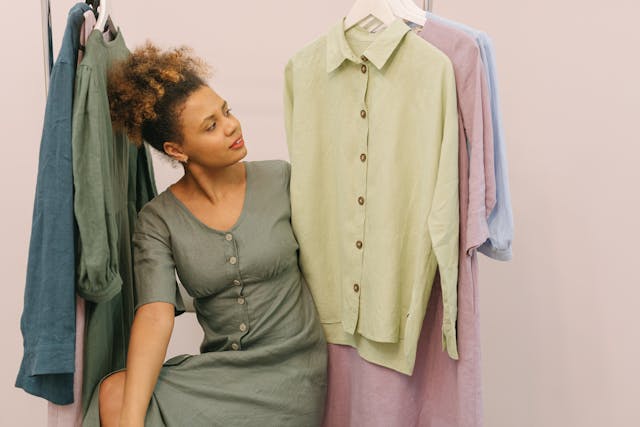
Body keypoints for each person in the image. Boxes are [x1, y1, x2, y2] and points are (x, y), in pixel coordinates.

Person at [83, 43, 327, 427]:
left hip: (293, 372)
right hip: (221, 373)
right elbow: (154, 316)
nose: (231, 126)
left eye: (225, 110)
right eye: (210, 126)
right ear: (175, 149)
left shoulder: (281, 179)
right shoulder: (157, 220)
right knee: (114, 396)